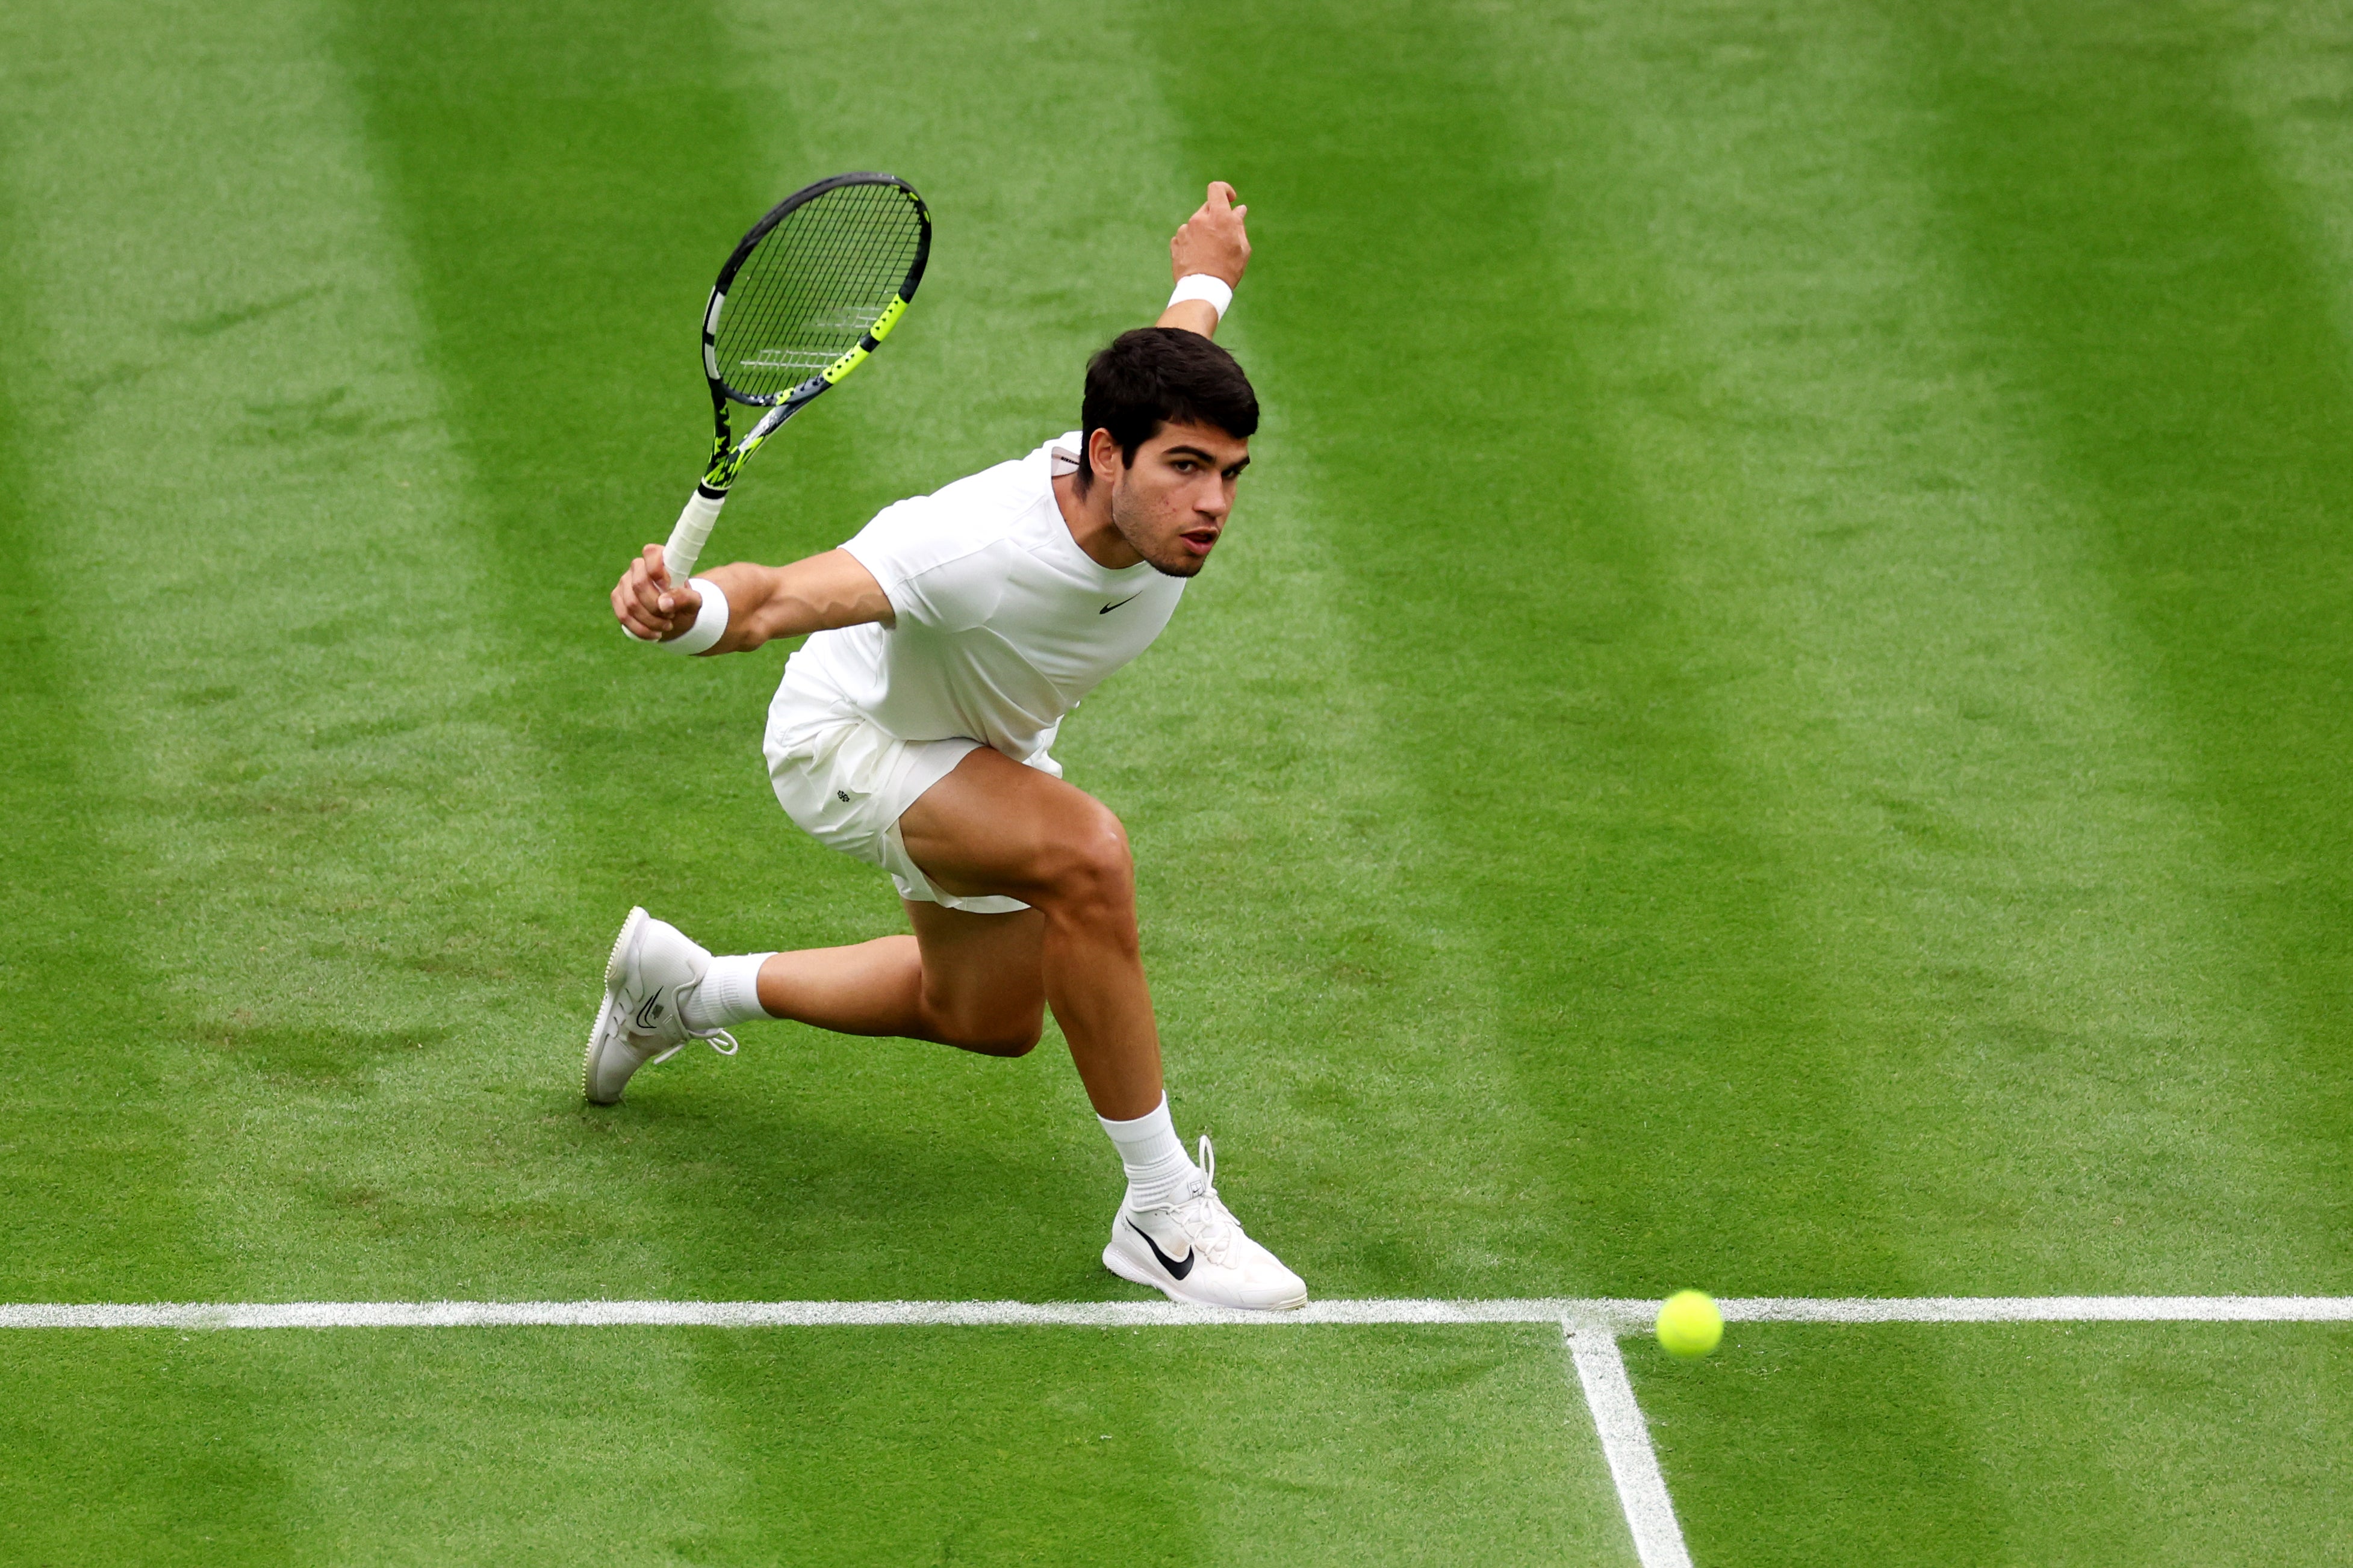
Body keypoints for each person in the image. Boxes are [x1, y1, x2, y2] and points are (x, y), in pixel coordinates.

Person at [589, 183, 1304, 1311]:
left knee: (985, 1016)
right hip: (850, 742)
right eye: (1188, 471)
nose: (1213, 502)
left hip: (978, 747)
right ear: (1107, 457)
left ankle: (683, 990)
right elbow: (781, 595)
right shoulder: (967, 545)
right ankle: (1163, 1218)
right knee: (1087, 857)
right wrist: (698, 616)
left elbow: (1177, 355)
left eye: (1231, 475)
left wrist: (1206, 277)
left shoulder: (1143, 452)